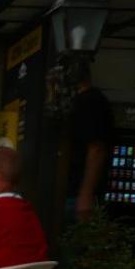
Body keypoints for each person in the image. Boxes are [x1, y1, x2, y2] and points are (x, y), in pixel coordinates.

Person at [55, 56, 114, 221]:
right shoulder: (87, 101)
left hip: (77, 193)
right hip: (75, 192)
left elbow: (96, 148)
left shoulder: (90, 102)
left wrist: (85, 193)